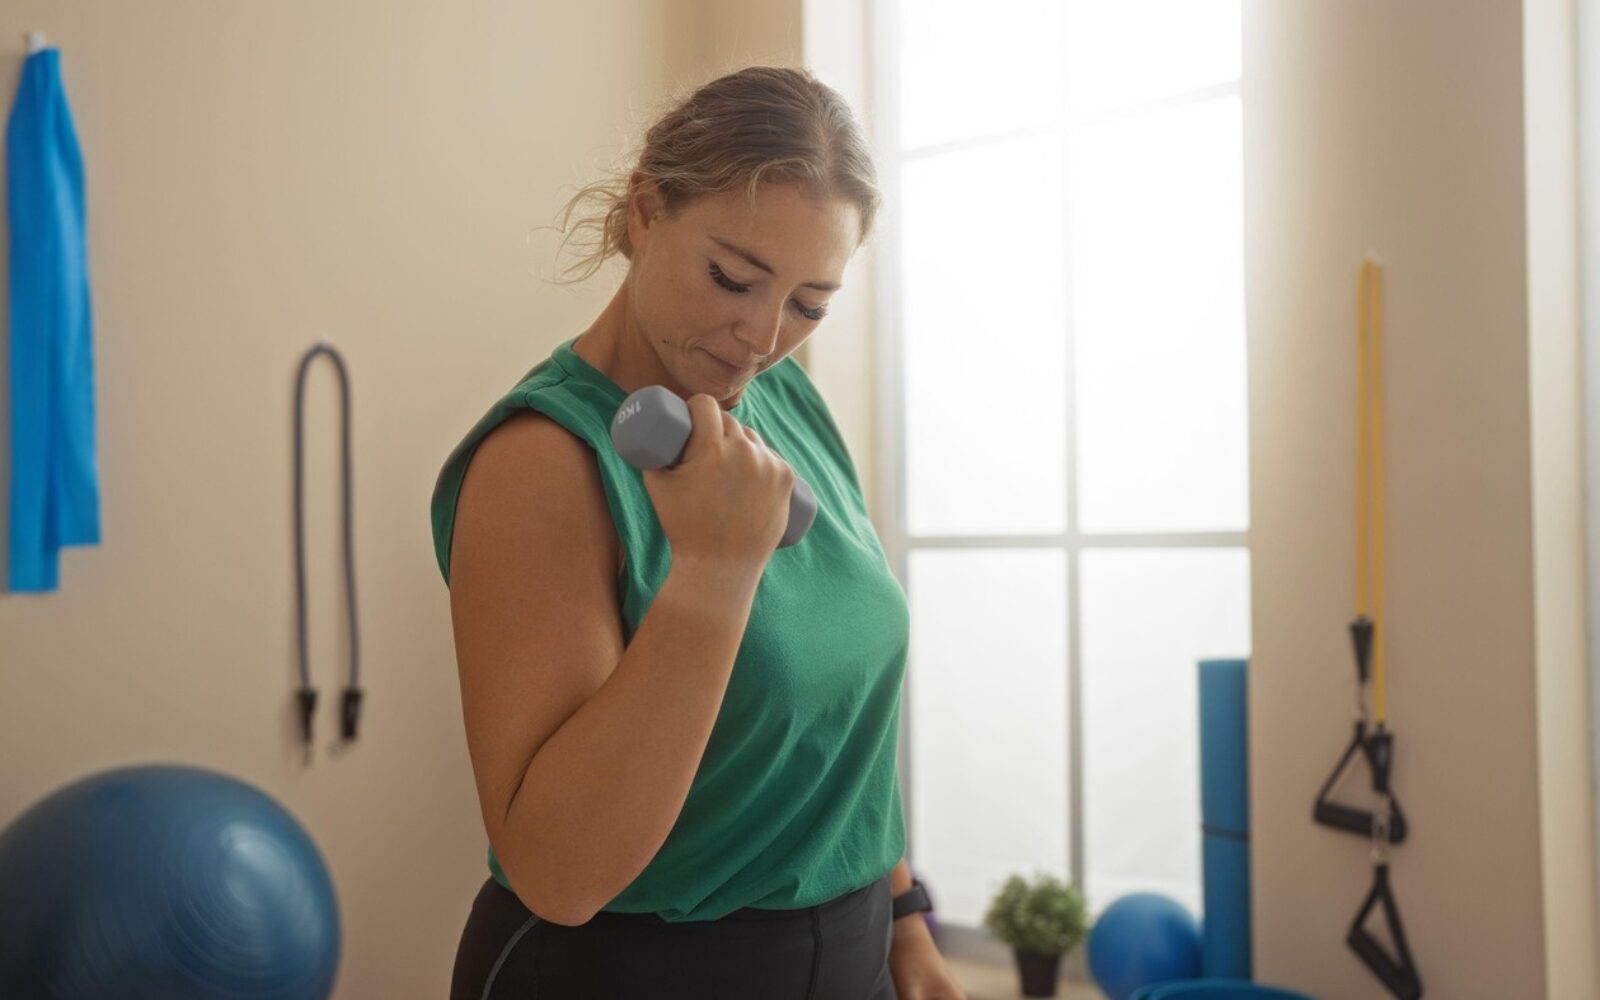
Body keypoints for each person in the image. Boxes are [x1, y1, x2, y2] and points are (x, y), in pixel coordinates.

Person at [431, 65, 966, 999]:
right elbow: (560, 873)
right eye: (733, 277)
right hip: (633, 970)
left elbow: (841, 716)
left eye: (809, 303)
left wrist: (904, 919)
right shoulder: (539, 463)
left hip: (852, 953)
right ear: (646, 210)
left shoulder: (779, 397)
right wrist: (715, 572)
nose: (761, 335)